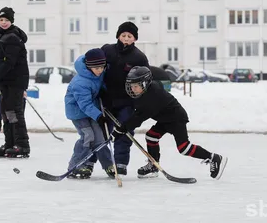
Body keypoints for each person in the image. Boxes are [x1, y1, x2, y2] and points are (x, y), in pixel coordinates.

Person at [111, 66, 228, 180]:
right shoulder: (144, 92)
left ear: (145, 84)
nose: (133, 89)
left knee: (184, 148)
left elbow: (138, 118)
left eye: (136, 86)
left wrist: (121, 129)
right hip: (165, 119)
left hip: (176, 118)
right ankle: (153, 165)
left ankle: (213, 157)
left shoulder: (152, 96)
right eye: (131, 86)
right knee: (151, 136)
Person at [100, 21, 149, 175]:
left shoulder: (139, 57)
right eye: (123, 35)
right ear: (118, 36)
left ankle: (120, 163)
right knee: (101, 132)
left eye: (130, 36)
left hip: (127, 101)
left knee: (124, 131)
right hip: (106, 99)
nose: (126, 39)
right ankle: (98, 163)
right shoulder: (107, 50)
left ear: (134, 39)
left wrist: (139, 102)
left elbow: (145, 81)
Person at [64, 48, 115, 179]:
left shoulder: (99, 73)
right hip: (78, 112)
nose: (100, 70)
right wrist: (98, 116)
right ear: (89, 67)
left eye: (102, 67)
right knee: (88, 136)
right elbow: (84, 104)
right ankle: (75, 166)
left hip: (92, 108)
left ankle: (109, 165)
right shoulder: (80, 82)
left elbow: (102, 84)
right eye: (96, 68)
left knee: (100, 138)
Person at [0, 7, 30, 157]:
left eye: (6, 20)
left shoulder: (11, 37)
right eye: (1, 20)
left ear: (11, 21)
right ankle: (10, 144)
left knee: (15, 113)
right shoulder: (4, 36)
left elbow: (8, 63)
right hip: (7, 81)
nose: (4, 22)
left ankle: (22, 145)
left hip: (15, 81)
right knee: (7, 113)